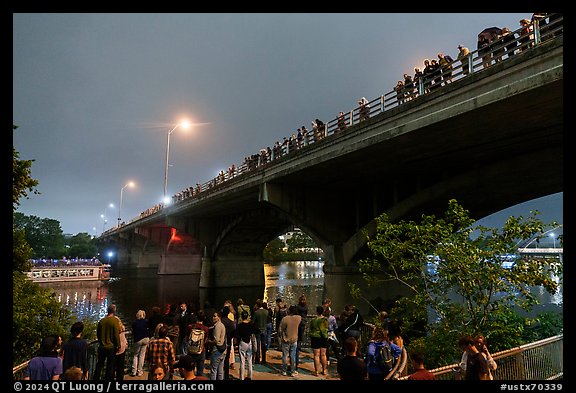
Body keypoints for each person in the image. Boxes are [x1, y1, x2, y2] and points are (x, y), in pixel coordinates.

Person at [93, 304, 120, 380]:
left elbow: (98, 334)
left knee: (99, 364)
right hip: (111, 347)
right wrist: (118, 345)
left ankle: (96, 378)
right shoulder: (115, 321)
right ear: (114, 311)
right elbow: (116, 334)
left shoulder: (102, 321)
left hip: (102, 346)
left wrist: (101, 341)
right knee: (110, 366)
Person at [236, 310, 259, 380]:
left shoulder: (239, 325)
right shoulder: (250, 325)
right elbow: (258, 331)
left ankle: (241, 377)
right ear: (247, 316)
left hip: (242, 342)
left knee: (242, 361)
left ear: (241, 317)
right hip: (249, 343)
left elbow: (236, 335)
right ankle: (250, 376)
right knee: (249, 361)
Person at [279, 305, 301, 376]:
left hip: (286, 339)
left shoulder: (285, 319)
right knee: (292, 356)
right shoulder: (298, 318)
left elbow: (280, 330)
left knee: (285, 355)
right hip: (294, 339)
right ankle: (292, 371)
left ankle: (284, 370)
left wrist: (281, 336)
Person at [186, 312, 209, 377]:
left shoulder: (190, 327)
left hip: (191, 350)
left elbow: (187, 337)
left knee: (190, 371)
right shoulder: (206, 329)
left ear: (196, 317)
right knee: (200, 372)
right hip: (201, 351)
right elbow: (205, 340)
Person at [309, 305, 328, 376]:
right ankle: (324, 370)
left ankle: (316, 371)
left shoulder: (313, 320)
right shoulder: (325, 320)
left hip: (315, 338)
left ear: (317, 312)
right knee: (323, 354)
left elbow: (311, 328)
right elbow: (326, 328)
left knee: (316, 355)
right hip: (324, 338)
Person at [208, 310, 227, 380]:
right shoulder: (221, 325)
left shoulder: (218, 326)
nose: (213, 318)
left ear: (219, 317)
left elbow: (216, 340)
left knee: (213, 371)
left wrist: (209, 341)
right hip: (222, 350)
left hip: (217, 350)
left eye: (215, 316)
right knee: (220, 371)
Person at [131, 309, 150, 377]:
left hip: (138, 339)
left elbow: (133, 331)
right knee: (142, 355)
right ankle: (140, 371)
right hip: (146, 338)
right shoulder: (146, 321)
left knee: (135, 355)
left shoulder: (134, 323)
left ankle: (134, 371)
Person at [294, 294, 308, 371]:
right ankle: (299, 346)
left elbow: (296, 313)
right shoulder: (305, 307)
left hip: (298, 322)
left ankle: (296, 347)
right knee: (301, 336)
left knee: (296, 334)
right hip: (303, 322)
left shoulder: (297, 306)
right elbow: (305, 314)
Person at [252, 299, 268, 364]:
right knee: (263, 346)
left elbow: (253, 322)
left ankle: (257, 359)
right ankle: (264, 360)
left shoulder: (256, 312)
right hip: (264, 329)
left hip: (258, 330)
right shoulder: (266, 312)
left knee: (258, 345)